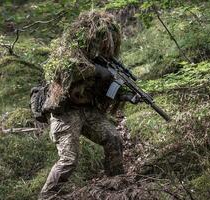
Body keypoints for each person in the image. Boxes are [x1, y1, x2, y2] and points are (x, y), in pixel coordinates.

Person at [38, 11, 139, 200]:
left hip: (88, 111)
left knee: (113, 137)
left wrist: (126, 95)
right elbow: (65, 70)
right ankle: (47, 195)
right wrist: (97, 70)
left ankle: (116, 184)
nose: (104, 45)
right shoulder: (70, 53)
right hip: (65, 111)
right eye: (101, 40)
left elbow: (107, 91)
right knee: (69, 159)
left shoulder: (107, 62)